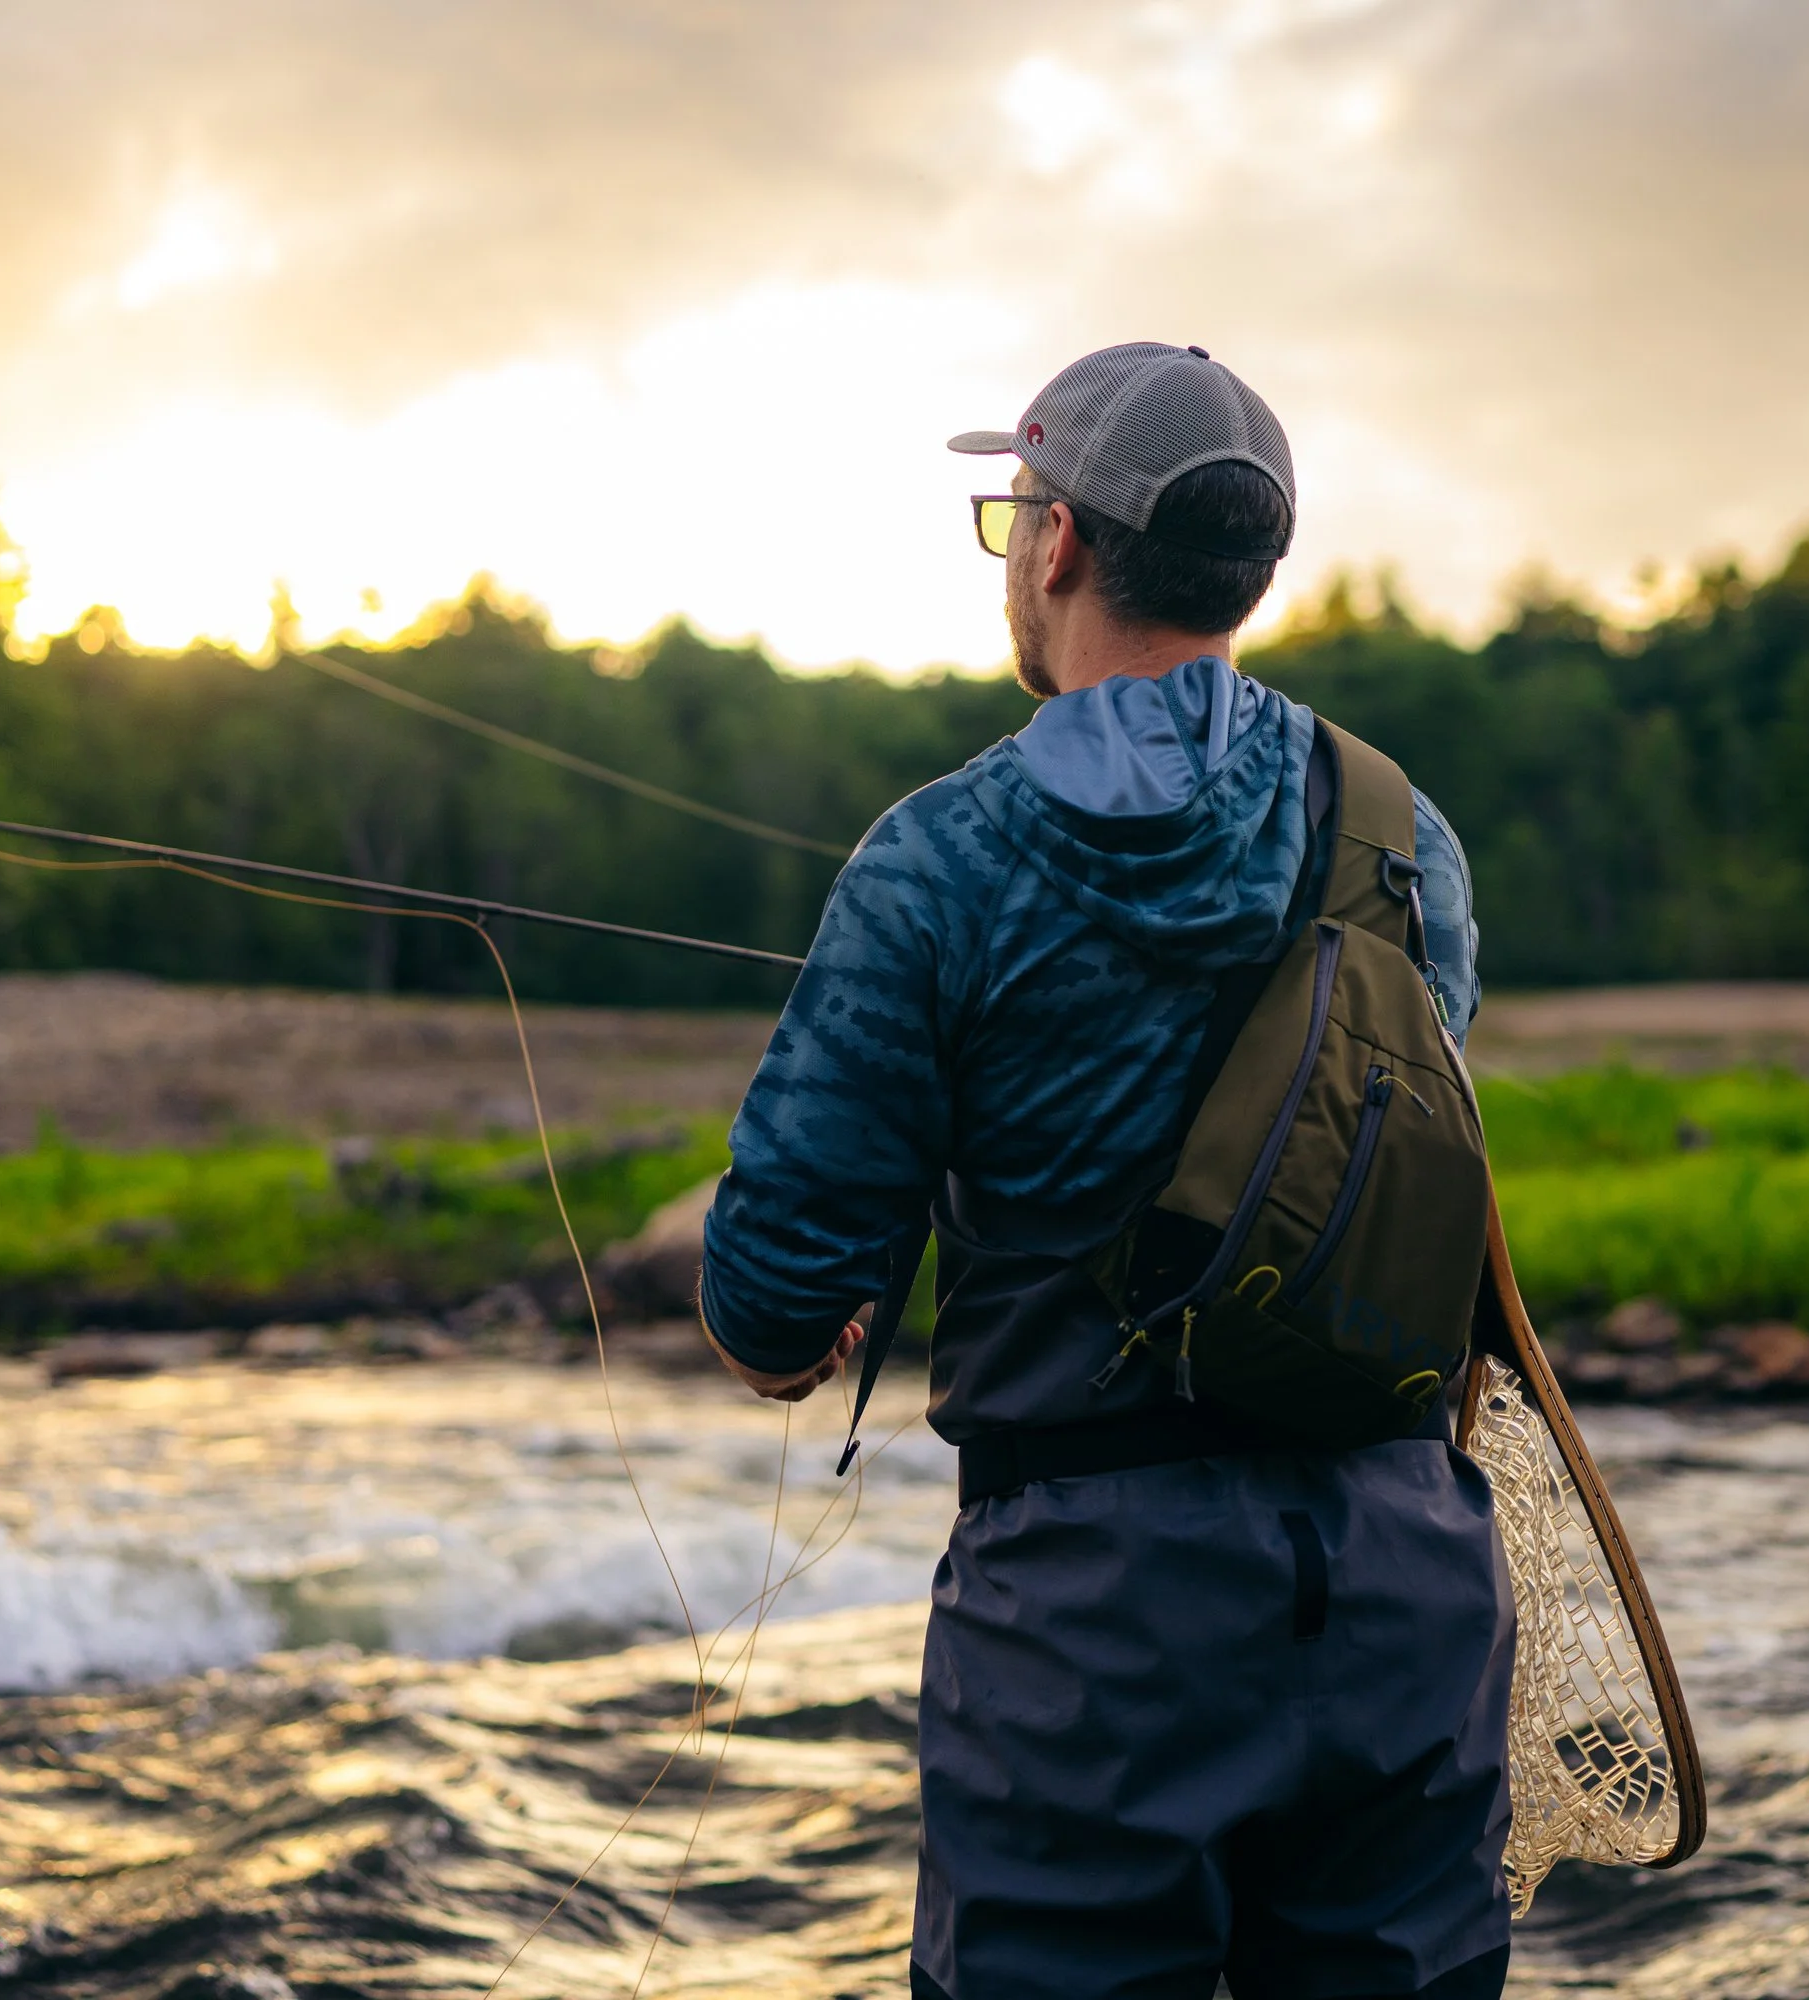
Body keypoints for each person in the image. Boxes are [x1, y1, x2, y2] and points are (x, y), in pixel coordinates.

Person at [697, 343, 1512, 2000]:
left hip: (1092, 1629)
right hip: (1407, 1583)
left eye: (1012, 512)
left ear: (1057, 541)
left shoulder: (936, 860)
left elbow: (771, 1301)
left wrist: (799, 1338)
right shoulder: (1404, 834)